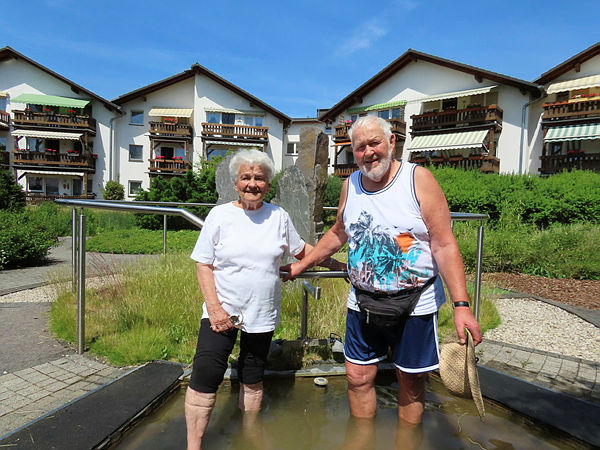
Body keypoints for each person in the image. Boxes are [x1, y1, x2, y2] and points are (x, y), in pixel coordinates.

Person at [283, 116, 482, 428]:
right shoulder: (351, 185)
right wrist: (301, 265)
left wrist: (462, 306)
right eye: (360, 147)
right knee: (357, 377)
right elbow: (338, 233)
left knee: (412, 384)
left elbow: (444, 244)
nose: (368, 152)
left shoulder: (418, 179)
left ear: (391, 143)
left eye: (374, 143)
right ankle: (362, 440)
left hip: (416, 302)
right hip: (362, 300)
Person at [184, 149, 342, 449]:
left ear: (268, 185)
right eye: (246, 177)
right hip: (222, 310)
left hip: (261, 312)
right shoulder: (219, 216)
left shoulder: (278, 217)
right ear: (236, 183)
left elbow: (304, 251)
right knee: (206, 372)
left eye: (259, 178)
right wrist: (215, 309)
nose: (252, 184)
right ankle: (194, 444)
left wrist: (339, 266)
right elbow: (203, 264)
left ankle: (250, 432)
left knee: (253, 373)